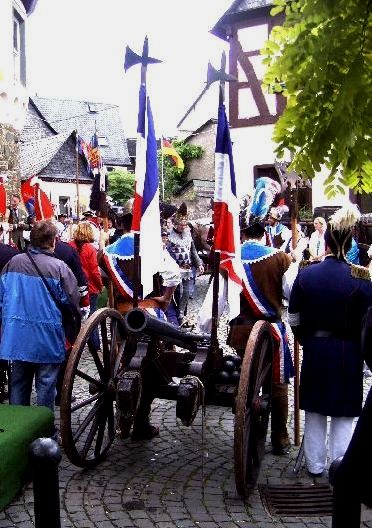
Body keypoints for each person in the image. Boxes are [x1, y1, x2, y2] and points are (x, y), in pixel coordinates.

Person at [288, 204, 372, 478]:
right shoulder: (362, 279)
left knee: (314, 411)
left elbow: (294, 316)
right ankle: (341, 467)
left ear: (325, 241)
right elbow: (369, 323)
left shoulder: (306, 274)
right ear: (349, 244)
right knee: (344, 414)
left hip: (315, 349)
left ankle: (315, 466)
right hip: (350, 352)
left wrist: (304, 341)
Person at [228, 216, 294, 455]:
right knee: (277, 384)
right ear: (264, 233)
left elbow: (218, 299)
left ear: (243, 235)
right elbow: (291, 293)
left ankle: (246, 415)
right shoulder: (281, 258)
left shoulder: (231, 259)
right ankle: (280, 438)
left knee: (248, 375)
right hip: (271, 333)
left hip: (241, 333)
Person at [0, 221, 79, 417]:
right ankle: (45, 433)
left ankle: (19, 430)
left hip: (17, 336)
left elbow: (2, 297)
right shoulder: (59, 268)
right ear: (53, 241)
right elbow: (71, 301)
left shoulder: (14, 263)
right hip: (47, 336)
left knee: (19, 383)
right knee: (45, 387)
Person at [167, 203, 204, 326]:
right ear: (176, 224)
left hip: (187, 269)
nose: (183, 227)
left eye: (184, 225)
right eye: (181, 225)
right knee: (177, 293)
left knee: (187, 293)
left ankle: (182, 315)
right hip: (174, 270)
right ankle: (175, 317)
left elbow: (193, 251)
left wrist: (199, 263)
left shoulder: (188, 235)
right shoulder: (168, 236)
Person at [69, 223, 103, 352]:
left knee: (74, 316)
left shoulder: (69, 246)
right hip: (89, 287)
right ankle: (94, 344)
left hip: (72, 286)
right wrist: (100, 286)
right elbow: (94, 271)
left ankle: (74, 343)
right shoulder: (90, 249)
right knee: (92, 316)